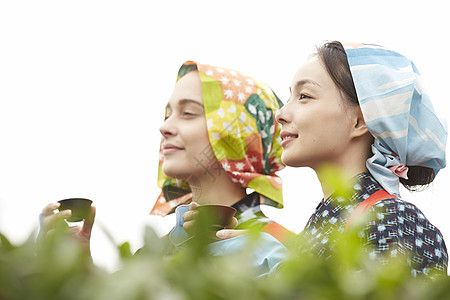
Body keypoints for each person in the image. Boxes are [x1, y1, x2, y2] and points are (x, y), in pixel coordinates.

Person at [219, 41, 448, 277]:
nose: (281, 114)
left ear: (359, 121)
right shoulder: (323, 226)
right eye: (290, 97)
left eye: (304, 96)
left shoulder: (392, 218)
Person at [40, 60, 292, 253]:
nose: (165, 128)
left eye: (188, 113)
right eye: (167, 115)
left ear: (236, 133)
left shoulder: (283, 249)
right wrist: (81, 270)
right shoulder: (152, 255)